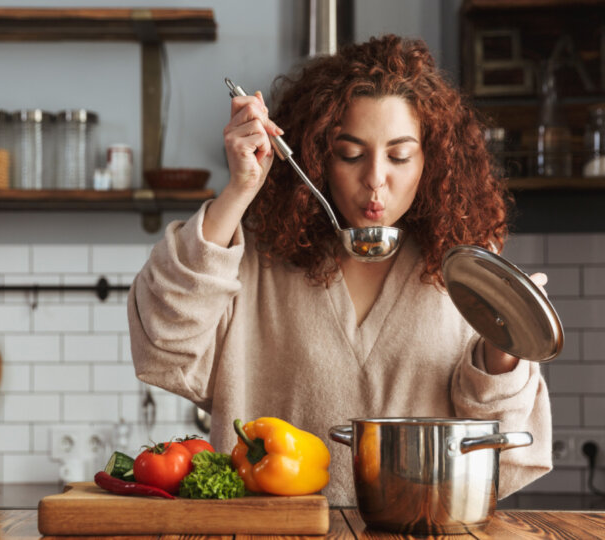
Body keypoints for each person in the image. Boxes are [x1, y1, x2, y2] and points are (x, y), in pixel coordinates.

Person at [127, 35, 552, 505]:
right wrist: (239, 191)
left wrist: (505, 347)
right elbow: (164, 344)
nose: (375, 178)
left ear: (431, 161)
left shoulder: (468, 272)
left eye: (399, 155)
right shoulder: (255, 261)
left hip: (418, 533)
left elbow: (503, 444)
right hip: (271, 536)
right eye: (350, 154)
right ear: (317, 157)